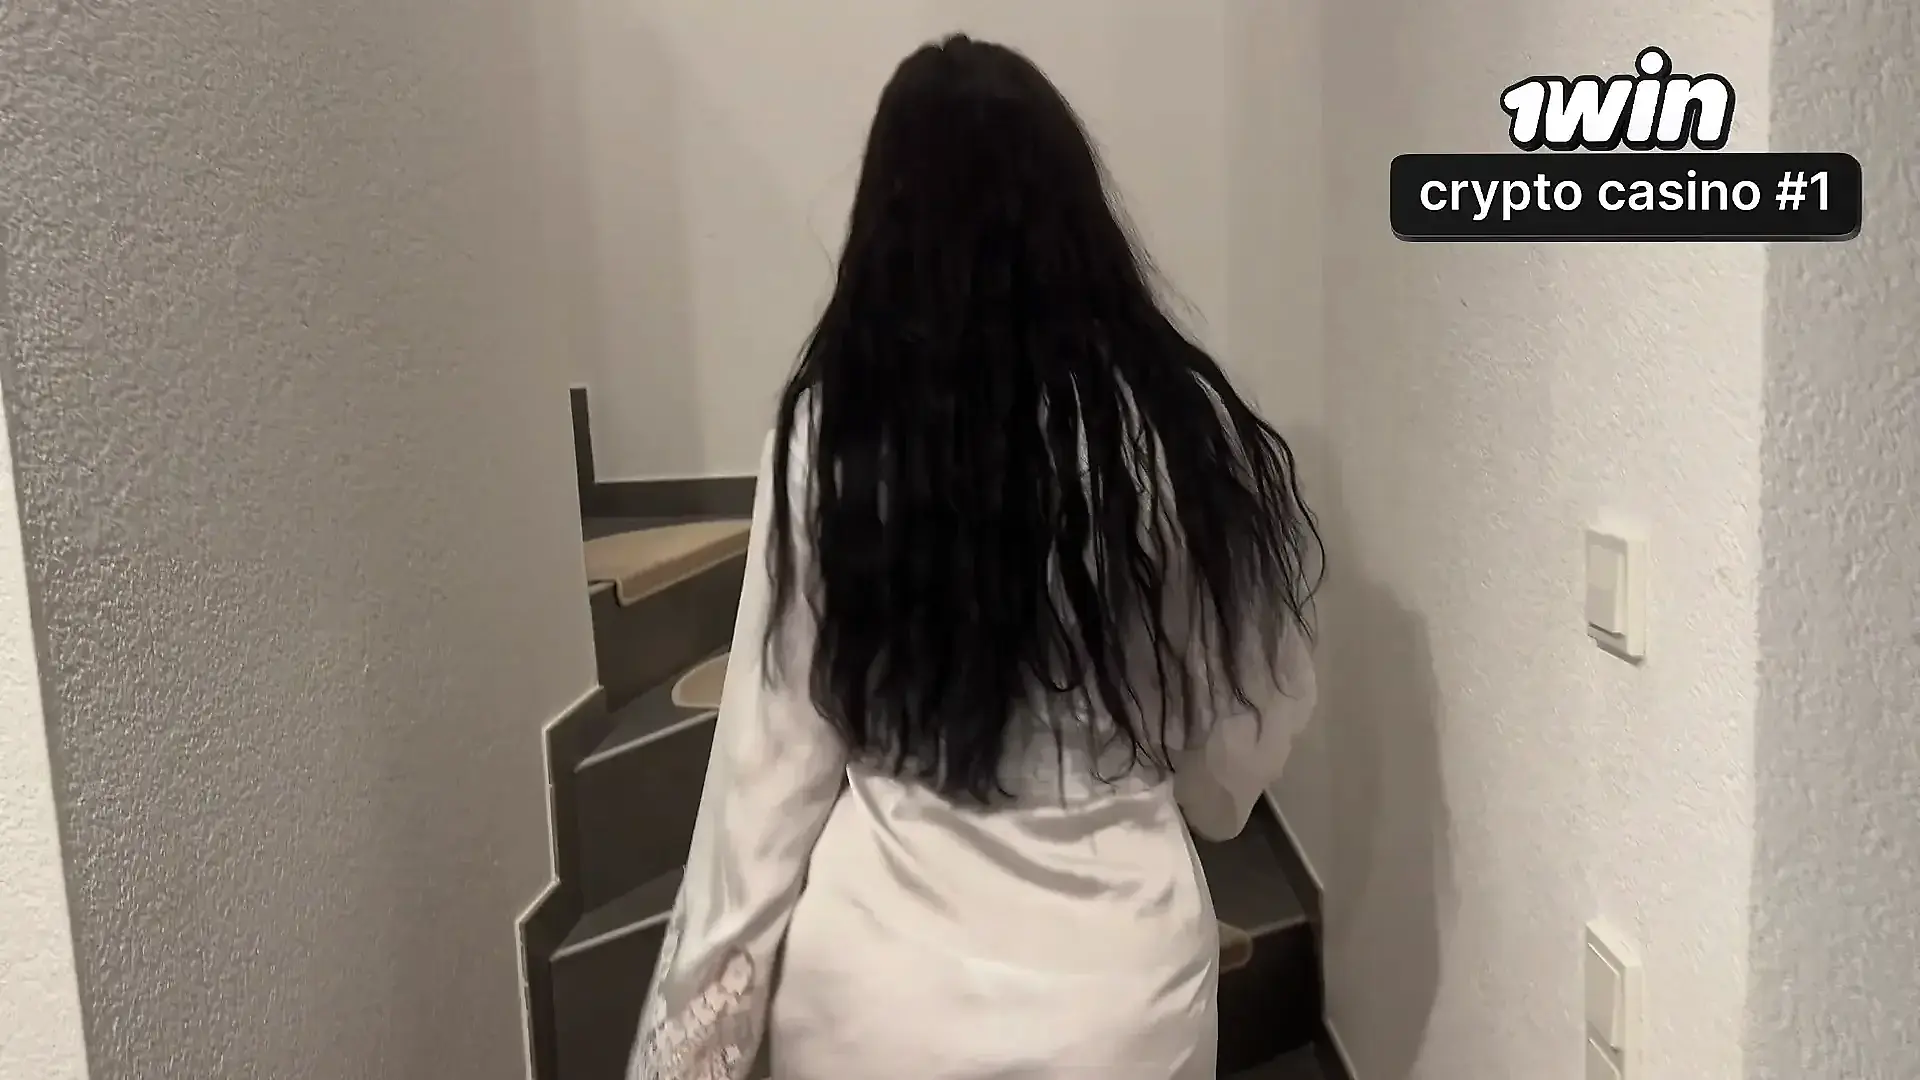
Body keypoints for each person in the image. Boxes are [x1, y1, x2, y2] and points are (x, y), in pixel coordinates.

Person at [626, 33, 1321, 1080]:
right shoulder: (1172, 434)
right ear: (1076, 220)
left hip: (875, 1005)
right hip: (1119, 1005)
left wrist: (689, 1052)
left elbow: (764, 777)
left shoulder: (829, 439)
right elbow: (1237, 746)